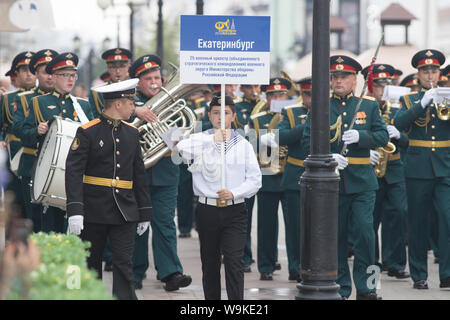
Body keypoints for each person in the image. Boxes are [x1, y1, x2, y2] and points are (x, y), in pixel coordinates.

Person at [302, 56, 388, 300]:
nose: (338, 81)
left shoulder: (369, 105)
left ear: (355, 80)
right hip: (332, 184)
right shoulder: (320, 105)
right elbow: (307, 140)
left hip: (362, 182)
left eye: (344, 77)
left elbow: (382, 136)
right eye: (334, 77)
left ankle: (368, 287)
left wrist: (362, 137)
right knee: (335, 238)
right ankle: (341, 287)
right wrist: (328, 155)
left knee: (365, 234)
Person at [65, 78, 152, 300]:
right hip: (93, 210)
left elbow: (139, 176)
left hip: (125, 210)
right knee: (91, 263)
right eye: (130, 102)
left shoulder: (132, 133)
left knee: (124, 264)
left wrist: (144, 213)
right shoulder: (87, 132)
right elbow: (74, 173)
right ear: (118, 104)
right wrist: (75, 210)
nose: (134, 107)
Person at [176, 94, 262, 300]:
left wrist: (235, 192)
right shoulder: (200, 138)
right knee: (210, 263)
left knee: (234, 262)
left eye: (225, 113)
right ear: (209, 115)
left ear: (233, 116)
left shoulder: (243, 145)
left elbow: (255, 179)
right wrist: (211, 138)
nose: (220, 117)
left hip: (234, 209)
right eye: (215, 113)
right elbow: (180, 148)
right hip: (207, 210)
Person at [128, 54, 191, 291]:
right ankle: (135, 272)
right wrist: (136, 111)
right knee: (136, 223)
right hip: (136, 175)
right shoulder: (127, 101)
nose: (155, 82)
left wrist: (177, 141)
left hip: (165, 172)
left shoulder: (172, 103)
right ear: (138, 82)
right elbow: (110, 115)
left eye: (157, 77)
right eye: (148, 79)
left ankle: (171, 273)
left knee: (165, 223)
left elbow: (176, 144)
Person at [393, 49, 450, 290]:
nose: (430, 75)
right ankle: (419, 273)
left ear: (440, 74)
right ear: (418, 75)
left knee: (447, 219)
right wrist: (423, 103)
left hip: (445, 166)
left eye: (434, 71)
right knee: (417, 222)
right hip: (417, 168)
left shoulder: (448, 97)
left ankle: (447, 273)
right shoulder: (409, 100)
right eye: (426, 71)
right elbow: (399, 124)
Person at [22, 52, 94, 233]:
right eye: (65, 75)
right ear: (53, 77)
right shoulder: (39, 103)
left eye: (73, 75)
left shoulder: (82, 105)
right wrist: (36, 132)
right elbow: (24, 133)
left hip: (78, 172)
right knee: (50, 224)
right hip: (50, 172)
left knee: (75, 224)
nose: (70, 80)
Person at [361, 64, 410, 279]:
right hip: (369, 169)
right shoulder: (361, 107)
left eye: (386, 84)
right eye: (378, 85)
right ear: (369, 86)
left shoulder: (398, 109)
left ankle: (396, 262)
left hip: (395, 168)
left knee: (398, 213)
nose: (383, 89)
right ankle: (372, 262)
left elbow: (410, 141)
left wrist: (399, 135)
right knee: (371, 218)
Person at [249, 78, 291, 281]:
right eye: (273, 95)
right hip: (267, 176)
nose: (278, 98)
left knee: (294, 226)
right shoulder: (257, 119)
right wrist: (259, 141)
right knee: (266, 225)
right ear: (267, 98)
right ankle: (266, 266)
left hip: (291, 174)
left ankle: (297, 267)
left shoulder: (296, 115)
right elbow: (248, 145)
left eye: (281, 95)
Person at [12, 49, 58, 232]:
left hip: (58, 167)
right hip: (32, 163)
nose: (49, 76)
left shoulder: (69, 101)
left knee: (57, 219)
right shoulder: (24, 99)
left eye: (53, 71)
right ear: (36, 73)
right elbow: (17, 129)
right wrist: (35, 131)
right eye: (45, 71)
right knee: (35, 218)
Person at [274, 76, 311, 282]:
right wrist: (306, 126)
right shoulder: (291, 112)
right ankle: (296, 267)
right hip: (296, 174)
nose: (311, 99)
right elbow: (280, 137)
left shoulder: (332, 110)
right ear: (301, 94)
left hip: (325, 176)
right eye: (307, 94)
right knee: (295, 227)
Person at [0, 51, 36, 218]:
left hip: (34, 153)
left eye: (32, 70)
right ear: (17, 73)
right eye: (24, 70)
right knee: (16, 201)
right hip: (13, 153)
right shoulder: (7, 98)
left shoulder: (43, 97)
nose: (29, 74)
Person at [233, 84, 261, 273]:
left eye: (256, 86)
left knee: (267, 220)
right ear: (242, 88)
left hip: (270, 165)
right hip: (243, 167)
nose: (254, 90)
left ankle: (269, 258)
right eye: (249, 87)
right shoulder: (236, 107)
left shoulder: (268, 106)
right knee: (244, 215)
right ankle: (244, 256)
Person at [89, 48, 132, 118]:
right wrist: (135, 111)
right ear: (108, 68)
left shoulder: (136, 89)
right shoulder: (97, 92)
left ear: (128, 67)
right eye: (113, 67)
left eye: (122, 67)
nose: (118, 71)